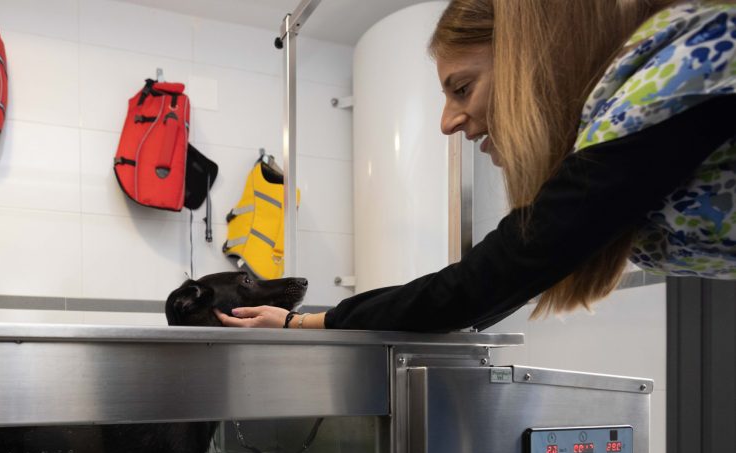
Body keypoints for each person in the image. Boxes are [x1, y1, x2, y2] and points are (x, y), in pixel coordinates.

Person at [217, 0, 736, 332]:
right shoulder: (633, 122)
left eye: (462, 88)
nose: (447, 123)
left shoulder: (681, 70)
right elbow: (494, 286)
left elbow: (480, 283)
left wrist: (302, 324)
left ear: (534, 61)